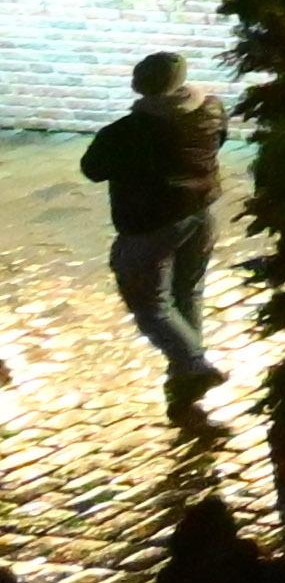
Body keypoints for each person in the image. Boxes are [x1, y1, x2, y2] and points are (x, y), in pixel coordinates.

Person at [81, 50, 226, 414]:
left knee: (149, 303)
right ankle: (184, 376)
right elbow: (219, 141)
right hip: (201, 213)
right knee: (187, 292)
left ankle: (194, 365)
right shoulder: (211, 109)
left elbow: (92, 168)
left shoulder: (128, 131)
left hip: (151, 224)